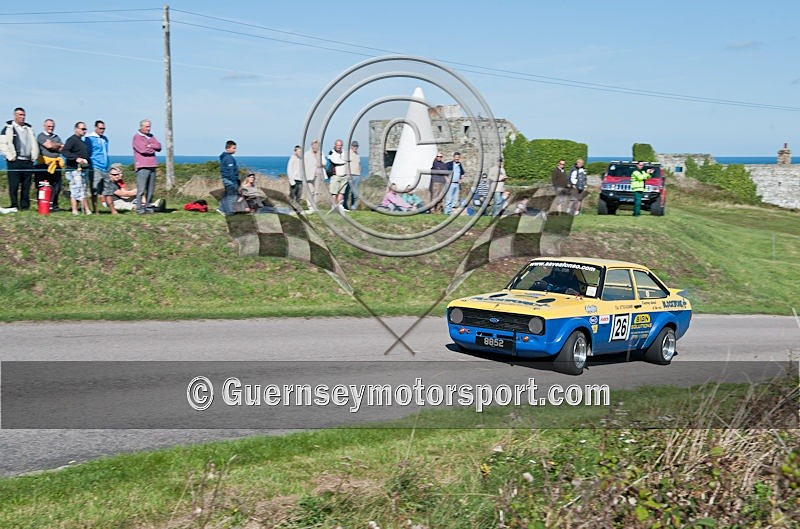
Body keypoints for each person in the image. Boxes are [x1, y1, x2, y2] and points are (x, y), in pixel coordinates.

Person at [0, 107, 40, 211]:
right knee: (14, 185)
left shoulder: (29, 129)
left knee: (26, 185)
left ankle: (25, 206)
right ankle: (14, 205)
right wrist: (9, 156)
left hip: (27, 161)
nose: (22, 117)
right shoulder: (8, 128)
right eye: (20, 115)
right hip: (15, 161)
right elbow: (3, 144)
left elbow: (33, 143)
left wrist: (33, 156)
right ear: (15, 115)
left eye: (23, 115)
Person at [132, 119, 161, 214]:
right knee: (141, 190)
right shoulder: (137, 137)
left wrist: (150, 145)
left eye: (149, 126)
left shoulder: (151, 136)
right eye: (147, 126)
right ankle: (139, 209)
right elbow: (143, 150)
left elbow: (159, 146)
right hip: (142, 167)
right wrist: (152, 148)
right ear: (141, 126)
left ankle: (148, 207)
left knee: (150, 189)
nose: (149, 128)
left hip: (152, 165)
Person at [62, 122, 91, 215]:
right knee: (76, 190)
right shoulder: (71, 140)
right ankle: (77, 210)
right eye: (82, 129)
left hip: (81, 169)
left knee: (82, 189)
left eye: (85, 129)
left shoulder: (81, 141)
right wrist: (76, 158)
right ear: (76, 129)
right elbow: (65, 151)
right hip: (73, 169)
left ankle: (83, 210)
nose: (84, 131)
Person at [35, 119, 64, 211]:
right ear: (44, 126)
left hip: (56, 165)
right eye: (49, 126)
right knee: (45, 186)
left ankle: (54, 205)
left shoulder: (56, 136)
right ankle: (43, 205)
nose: (51, 128)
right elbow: (49, 146)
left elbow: (62, 148)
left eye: (52, 126)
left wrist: (54, 145)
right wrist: (57, 145)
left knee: (57, 187)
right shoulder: (41, 136)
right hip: (44, 165)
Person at [84, 120, 110, 213]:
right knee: (94, 189)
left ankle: (111, 209)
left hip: (105, 167)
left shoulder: (105, 139)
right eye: (100, 128)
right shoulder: (89, 138)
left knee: (107, 189)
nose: (102, 130)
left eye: (103, 128)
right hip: (95, 167)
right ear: (95, 128)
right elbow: (87, 153)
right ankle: (95, 209)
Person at [218, 140, 239, 215]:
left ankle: (221, 209)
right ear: (228, 148)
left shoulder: (225, 157)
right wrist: (234, 181)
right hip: (230, 180)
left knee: (228, 195)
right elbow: (231, 171)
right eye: (233, 148)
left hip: (226, 179)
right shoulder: (228, 158)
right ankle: (229, 212)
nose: (235, 150)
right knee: (232, 196)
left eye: (235, 148)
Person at [327, 139, 348, 213]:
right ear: (335, 145)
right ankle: (333, 206)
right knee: (334, 192)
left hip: (344, 175)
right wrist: (344, 161)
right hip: (335, 175)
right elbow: (335, 161)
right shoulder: (331, 152)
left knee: (342, 192)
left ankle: (340, 206)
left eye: (341, 145)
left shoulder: (344, 153)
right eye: (338, 145)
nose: (339, 147)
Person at [303, 139, 323, 211]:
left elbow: (324, 162)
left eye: (317, 145)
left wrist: (321, 164)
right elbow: (303, 165)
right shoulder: (306, 154)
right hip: (309, 175)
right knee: (310, 191)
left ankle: (314, 206)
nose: (315, 146)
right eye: (314, 145)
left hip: (318, 174)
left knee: (316, 191)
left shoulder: (320, 153)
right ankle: (310, 206)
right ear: (312, 145)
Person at [343, 140, 362, 210]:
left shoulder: (357, 154)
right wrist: (348, 174)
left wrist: (360, 173)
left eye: (356, 146)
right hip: (350, 175)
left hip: (357, 175)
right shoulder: (348, 153)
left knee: (355, 193)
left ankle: (353, 207)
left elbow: (359, 164)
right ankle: (345, 206)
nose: (355, 147)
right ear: (351, 146)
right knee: (347, 192)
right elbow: (346, 164)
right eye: (354, 146)